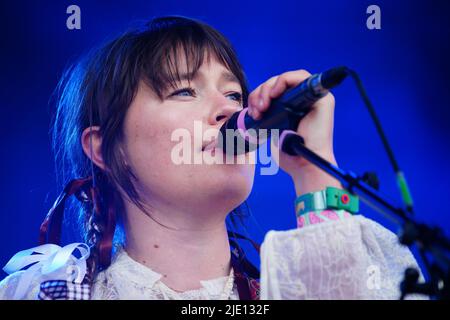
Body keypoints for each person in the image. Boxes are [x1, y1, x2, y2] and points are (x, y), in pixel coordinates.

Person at [0, 16, 422, 300]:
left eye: (235, 94)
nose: (229, 109)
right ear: (106, 149)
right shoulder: (47, 290)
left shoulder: (286, 289)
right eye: (184, 90)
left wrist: (313, 171)